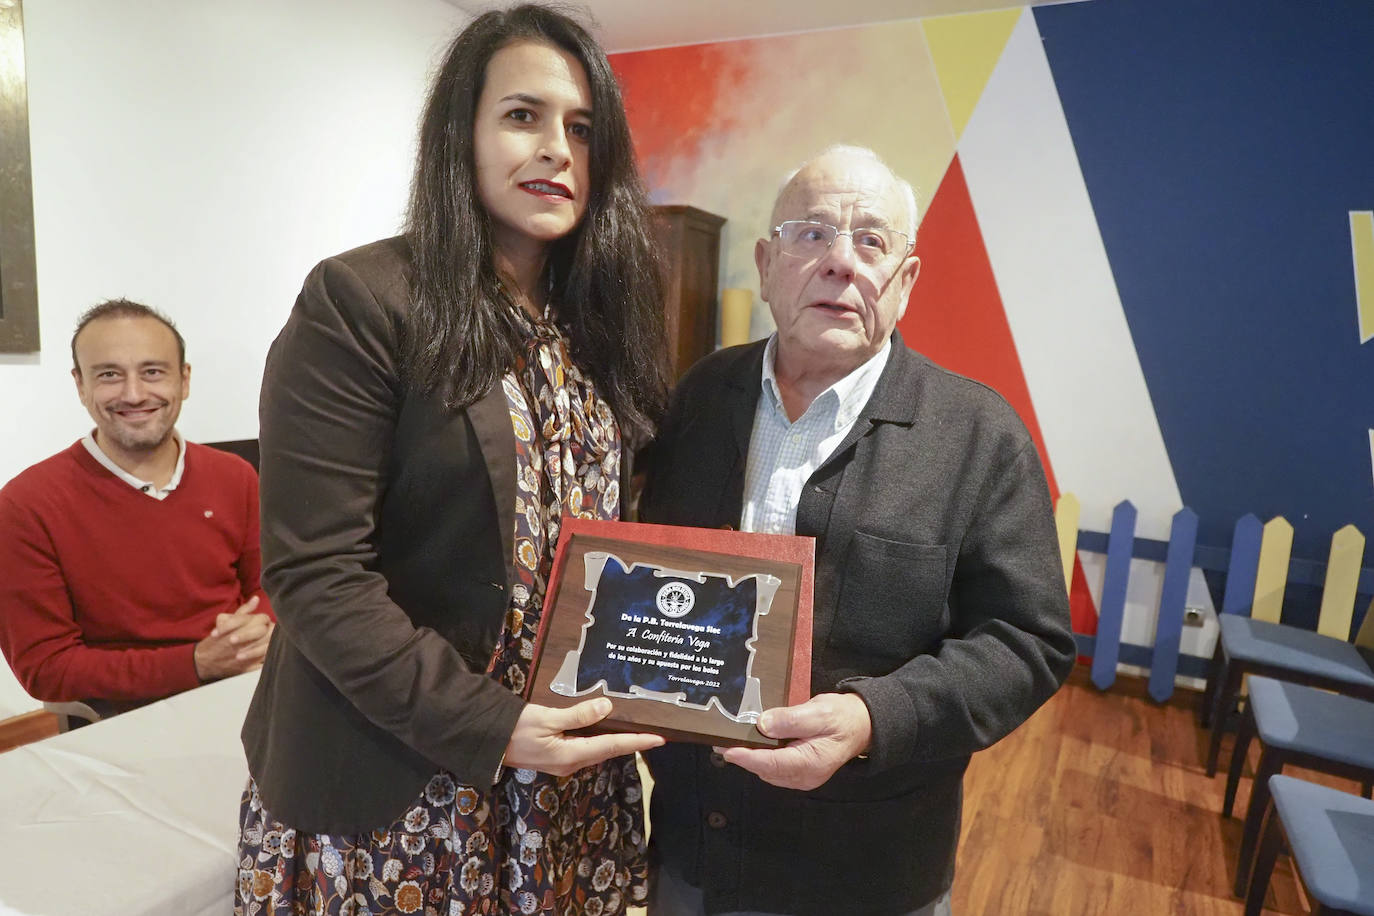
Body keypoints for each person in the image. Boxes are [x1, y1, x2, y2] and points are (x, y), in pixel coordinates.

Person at [236, 6, 670, 915]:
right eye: (523, 116)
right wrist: (494, 726)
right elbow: (316, 574)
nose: (557, 148)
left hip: (563, 778)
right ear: (458, 135)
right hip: (400, 776)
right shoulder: (361, 301)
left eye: (583, 129)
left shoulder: (596, 326)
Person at [639, 146, 1077, 916]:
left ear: (904, 281)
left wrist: (876, 718)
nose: (840, 262)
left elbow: (1027, 641)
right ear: (768, 265)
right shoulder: (702, 397)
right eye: (811, 234)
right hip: (693, 853)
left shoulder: (978, 436)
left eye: (871, 240)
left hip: (867, 877)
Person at [0, 299, 273, 717]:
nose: (133, 393)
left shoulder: (235, 476)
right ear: (80, 385)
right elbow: (45, 668)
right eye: (109, 374)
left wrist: (259, 631)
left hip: (249, 688)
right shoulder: (25, 505)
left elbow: (271, 586)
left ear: (184, 380)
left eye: (152, 372)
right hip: (124, 716)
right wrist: (197, 663)